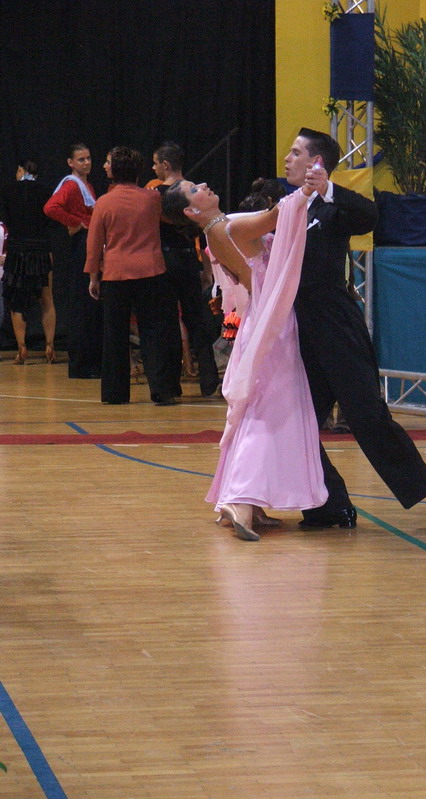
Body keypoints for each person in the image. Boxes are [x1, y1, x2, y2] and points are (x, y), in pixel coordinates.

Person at [284, 127, 426, 529]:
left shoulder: (331, 207)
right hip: (303, 335)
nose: (287, 158)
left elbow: (369, 216)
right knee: (298, 427)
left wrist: (329, 188)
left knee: (369, 421)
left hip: (338, 330)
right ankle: (332, 505)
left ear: (316, 162)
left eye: (296, 152)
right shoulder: (290, 208)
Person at [161, 174, 328, 541]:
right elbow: (274, 217)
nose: (204, 186)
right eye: (195, 190)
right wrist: (307, 188)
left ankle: (246, 501)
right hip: (270, 323)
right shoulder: (227, 228)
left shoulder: (219, 229)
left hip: (265, 317)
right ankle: (241, 499)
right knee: (264, 412)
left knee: (259, 408)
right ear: (191, 211)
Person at [84, 146, 182, 406]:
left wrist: (93, 276)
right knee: (155, 331)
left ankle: (115, 393)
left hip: (115, 274)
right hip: (151, 271)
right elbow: (173, 220)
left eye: (108, 163)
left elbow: (94, 243)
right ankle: (162, 389)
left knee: (115, 334)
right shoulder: (152, 199)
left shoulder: (104, 202)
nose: (104, 166)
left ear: (115, 170)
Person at [149, 141, 220, 396]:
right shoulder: (195, 192)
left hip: (165, 261)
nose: (153, 168)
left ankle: (169, 385)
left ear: (166, 165)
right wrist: (206, 268)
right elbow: (203, 230)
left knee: (167, 321)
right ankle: (208, 380)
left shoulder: (155, 194)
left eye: (156, 163)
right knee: (197, 319)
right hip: (190, 259)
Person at [43, 143, 103, 378]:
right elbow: (50, 207)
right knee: (83, 304)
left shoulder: (86, 185)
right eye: (81, 159)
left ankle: (88, 362)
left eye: (88, 158)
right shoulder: (71, 184)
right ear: (70, 163)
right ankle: (81, 364)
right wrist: (75, 222)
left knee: (89, 305)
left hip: (87, 244)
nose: (86, 163)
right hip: (81, 246)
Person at [0, 159, 56, 364]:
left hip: (17, 249)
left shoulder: (8, 190)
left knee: (16, 301)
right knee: (47, 298)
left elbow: (6, 218)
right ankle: (50, 344)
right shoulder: (46, 190)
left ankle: (21, 347)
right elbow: (51, 219)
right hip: (41, 248)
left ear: (20, 170)